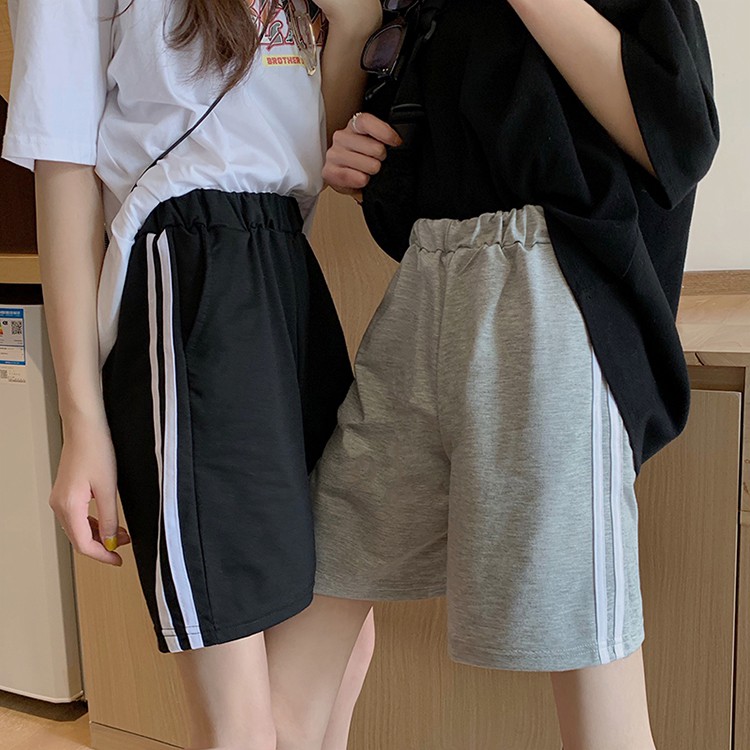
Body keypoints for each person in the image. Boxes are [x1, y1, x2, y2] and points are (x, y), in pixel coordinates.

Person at [267, 0, 720, 748]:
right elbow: (413, 185)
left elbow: (677, 131)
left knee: (594, 683)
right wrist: (368, 160)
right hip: (426, 285)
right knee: (312, 608)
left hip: (555, 291)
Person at [2, 1, 380, 749]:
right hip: (189, 270)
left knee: (342, 641)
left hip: (287, 261)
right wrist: (82, 420)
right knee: (243, 713)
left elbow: (315, 150)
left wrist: (355, 29)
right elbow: (62, 160)